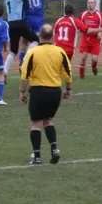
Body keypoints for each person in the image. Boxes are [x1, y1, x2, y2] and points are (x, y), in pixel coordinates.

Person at [20, 24, 72, 165]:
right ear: (52, 36)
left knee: (36, 124)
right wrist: (68, 88)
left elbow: (24, 74)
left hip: (38, 91)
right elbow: (67, 72)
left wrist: (22, 92)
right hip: (55, 92)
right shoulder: (59, 51)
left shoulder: (33, 52)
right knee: (48, 120)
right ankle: (54, 149)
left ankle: (37, 157)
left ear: (40, 36)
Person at [18, 0, 74, 68]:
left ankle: (21, 62)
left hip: (27, 20)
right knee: (38, 41)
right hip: (38, 20)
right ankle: (29, 60)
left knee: (24, 42)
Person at [3, 0, 39, 75]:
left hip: (11, 25)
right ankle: (25, 60)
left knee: (13, 51)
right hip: (20, 23)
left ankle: (5, 71)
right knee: (36, 40)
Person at [78, 0, 102, 78]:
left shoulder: (100, 15)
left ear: (95, 5)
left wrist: (100, 32)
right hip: (85, 38)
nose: (90, 4)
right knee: (83, 57)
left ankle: (94, 66)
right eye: (88, 3)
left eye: (92, 3)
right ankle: (82, 76)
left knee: (94, 59)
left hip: (96, 40)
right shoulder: (83, 14)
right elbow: (78, 25)